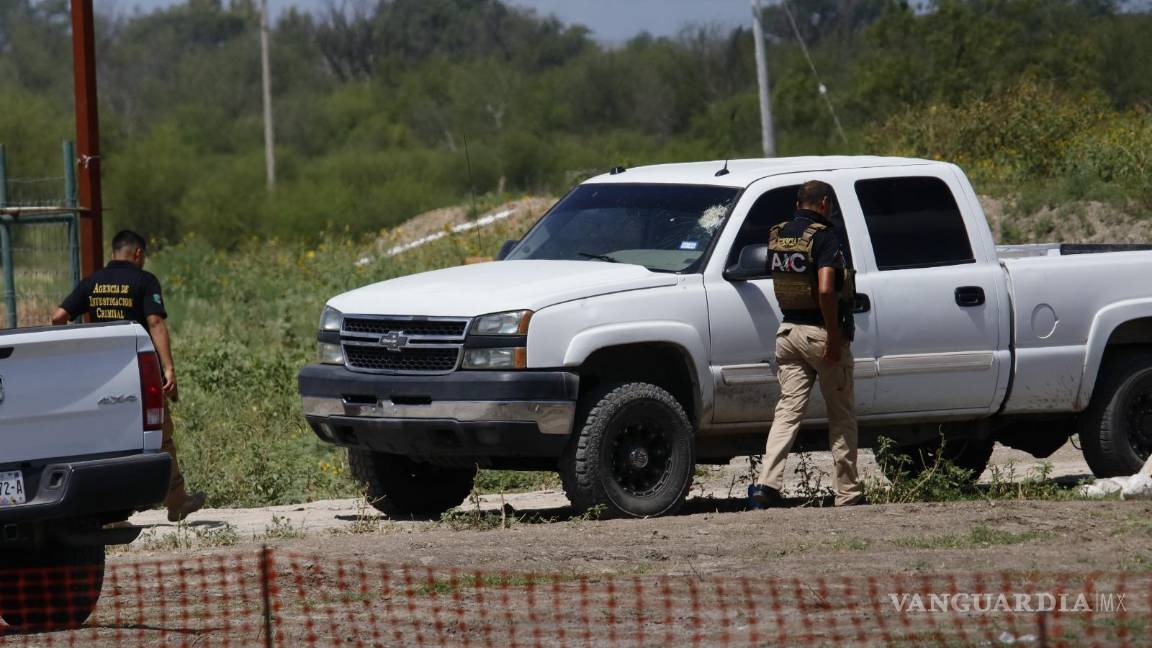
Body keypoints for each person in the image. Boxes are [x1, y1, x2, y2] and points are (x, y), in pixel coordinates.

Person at [51, 230, 206, 522]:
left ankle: (111, 515)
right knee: (162, 437)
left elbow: (58, 317)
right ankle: (176, 502)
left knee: (106, 443)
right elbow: (155, 321)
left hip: (99, 378)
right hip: (140, 374)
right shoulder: (144, 281)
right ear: (137, 254)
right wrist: (169, 368)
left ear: (114, 253)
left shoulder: (92, 283)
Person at [748, 181, 865, 508]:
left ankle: (767, 485)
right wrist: (834, 337)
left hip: (788, 333)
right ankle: (848, 493)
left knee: (787, 412)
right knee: (841, 416)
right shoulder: (825, 236)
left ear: (798, 202)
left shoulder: (778, 235)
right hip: (819, 334)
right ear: (825, 203)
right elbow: (827, 289)